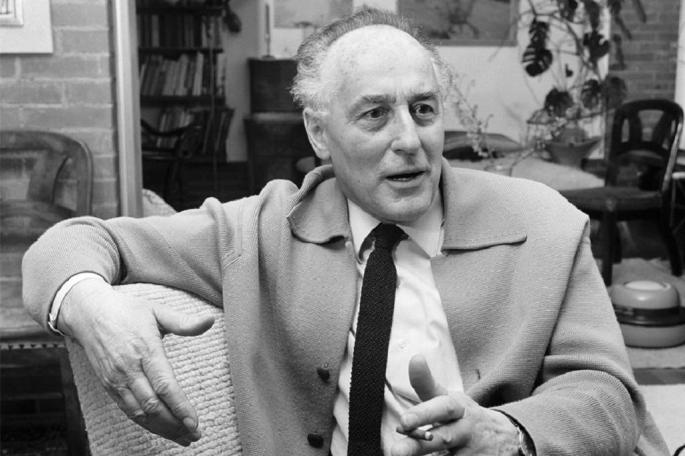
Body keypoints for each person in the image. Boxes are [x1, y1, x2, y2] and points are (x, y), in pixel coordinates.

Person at [23, 7, 669, 456]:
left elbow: (609, 395)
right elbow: (70, 242)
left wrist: (511, 434)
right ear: (318, 132)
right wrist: (91, 306)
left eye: (423, 109)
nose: (409, 140)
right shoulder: (260, 230)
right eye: (374, 115)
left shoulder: (544, 224)